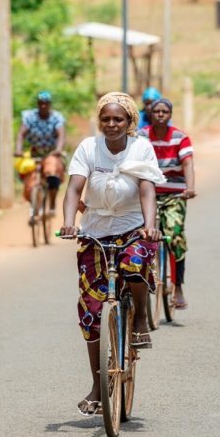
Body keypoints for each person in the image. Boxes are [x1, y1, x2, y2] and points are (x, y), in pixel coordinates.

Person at [60, 92, 163, 417]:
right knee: (90, 312)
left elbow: (147, 189)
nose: (112, 124)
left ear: (130, 121)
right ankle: (97, 384)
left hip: (134, 226)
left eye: (118, 119)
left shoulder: (141, 147)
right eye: (106, 119)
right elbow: (75, 187)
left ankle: (141, 318)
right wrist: (68, 222)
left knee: (134, 265)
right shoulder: (89, 148)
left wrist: (149, 225)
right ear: (99, 121)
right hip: (94, 230)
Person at [138, 98, 195, 309]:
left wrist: (190, 187)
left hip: (174, 196)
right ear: (150, 114)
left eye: (164, 111)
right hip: (146, 195)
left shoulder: (180, 137)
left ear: (170, 115)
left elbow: (188, 163)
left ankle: (178, 287)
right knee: (139, 236)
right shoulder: (141, 136)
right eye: (156, 111)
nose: (160, 114)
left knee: (176, 235)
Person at [15, 91, 65, 216]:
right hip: (34, 152)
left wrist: (59, 149)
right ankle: (34, 204)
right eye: (41, 103)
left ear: (50, 104)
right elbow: (21, 134)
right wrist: (18, 150)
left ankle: (52, 203)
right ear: (38, 104)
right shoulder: (30, 117)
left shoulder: (56, 118)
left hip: (51, 152)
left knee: (53, 173)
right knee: (29, 181)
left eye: (46, 103)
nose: (43, 106)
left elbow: (61, 135)